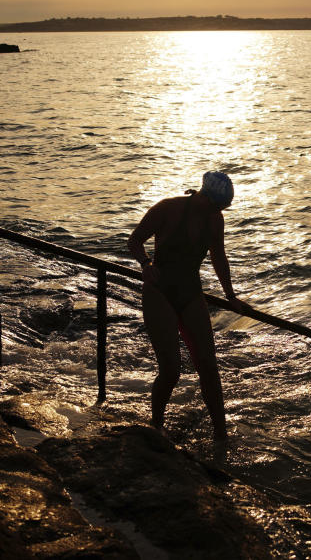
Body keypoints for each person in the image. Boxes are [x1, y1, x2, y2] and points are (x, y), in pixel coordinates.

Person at [127, 171, 249, 440]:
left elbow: (219, 258)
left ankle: (221, 434)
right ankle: (156, 427)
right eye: (216, 205)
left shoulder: (215, 220)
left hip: (191, 292)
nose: (218, 212)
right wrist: (146, 264)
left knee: (208, 366)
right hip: (160, 291)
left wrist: (230, 296)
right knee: (170, 370)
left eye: (222, 208)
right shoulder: (168, 209)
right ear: (203, 195)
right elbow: (135, 240)